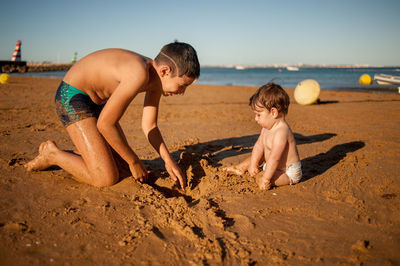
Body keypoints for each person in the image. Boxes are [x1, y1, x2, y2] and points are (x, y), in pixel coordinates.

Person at [24, 42, 200, 189]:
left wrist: (167, 160)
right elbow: (105, 125)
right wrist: (133, 161)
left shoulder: (155, 80)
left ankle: (91, 154)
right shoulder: (138, 73)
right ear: (165, 71)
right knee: (105, 178)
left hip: (97, 105)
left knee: (122, 169)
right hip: (71, 96)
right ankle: (52, 154)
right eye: (182, 86)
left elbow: (150, 126)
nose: (182, 92)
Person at [224, 83, 302, 190]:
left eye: (259, 115)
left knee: (261, 176)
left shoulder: (282, 132)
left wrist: (265, 178)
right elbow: (258, 146)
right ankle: (240, 168)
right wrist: (253, 164)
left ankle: (263, 175)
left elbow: (275, 159)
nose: (256, 119)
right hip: (270, 164)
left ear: (273, 112)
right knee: (255, 157)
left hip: (287, 172)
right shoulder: (266, 128)